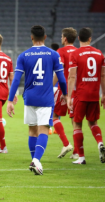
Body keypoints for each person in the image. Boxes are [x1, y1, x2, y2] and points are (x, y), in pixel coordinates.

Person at [7, 25, 67, 175]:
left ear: (31, 37)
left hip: (29, 97)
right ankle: (36, 161)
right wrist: (66, 94)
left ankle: (34, 161)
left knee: (32, 131)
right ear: (45, 37)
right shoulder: (53, 54)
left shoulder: (23, 55)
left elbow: (15, 80)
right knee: (44, 131)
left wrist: (9, 100)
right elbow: (62, 79)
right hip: (45, 98)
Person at [67, 27, 105, 164]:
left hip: (80, 95)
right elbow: (103, 75)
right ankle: (100, 143)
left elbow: (72, 77)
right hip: (94, 95)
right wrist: (104, 94)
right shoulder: (99, 54)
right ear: (90, 38)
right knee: (93, 122)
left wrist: (69, 96)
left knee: (77, 124)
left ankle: (81, 157)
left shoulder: (75, 54)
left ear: (78, 39)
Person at [52, 28, 78, 158]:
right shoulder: (79, 52)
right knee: (75, 121)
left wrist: (51, 85)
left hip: (64, 89)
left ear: (65, 38)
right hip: (77, 90)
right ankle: (77, 152)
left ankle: (66, 144)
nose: (61, 39)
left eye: (62, 37)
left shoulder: (60, 51)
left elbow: (59, 70)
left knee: (54, 116)